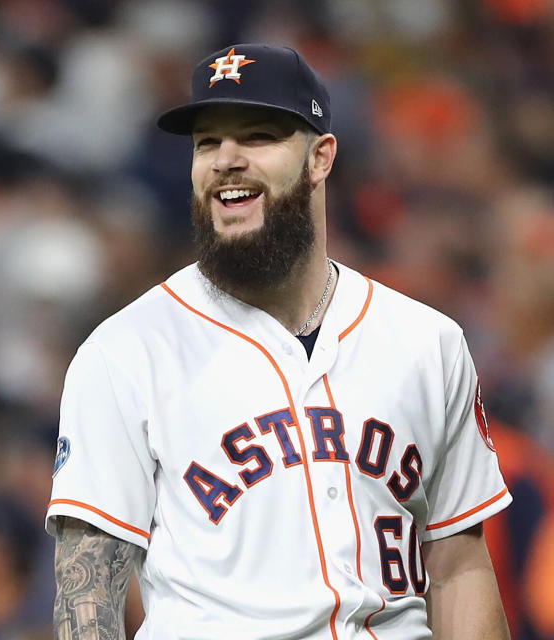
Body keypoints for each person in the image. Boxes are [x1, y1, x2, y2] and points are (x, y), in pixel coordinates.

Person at [46, 43, 511, 639]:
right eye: (207, 143)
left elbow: (458, 565)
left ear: (321, 158)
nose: (225, 160)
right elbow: (88, 595)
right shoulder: (125, 352)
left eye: (258, 136)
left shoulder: (427, 341)